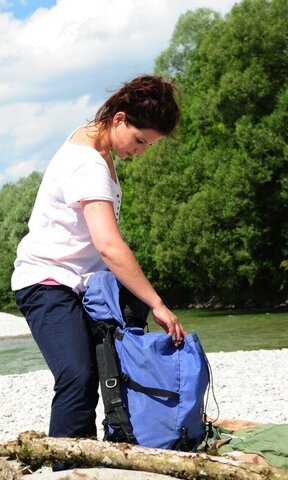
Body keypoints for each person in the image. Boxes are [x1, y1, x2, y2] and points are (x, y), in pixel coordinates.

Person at [12, 75, 188, 441]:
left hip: (83, 284)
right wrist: (155, 302)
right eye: (140, 141)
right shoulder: (87, 163)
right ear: (119, 119)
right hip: (48, 281)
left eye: (149, 145)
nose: (141, 151)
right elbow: (109, 244)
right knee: (77, 376)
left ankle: (100, 465)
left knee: (108, 371)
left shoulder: (95, 140)